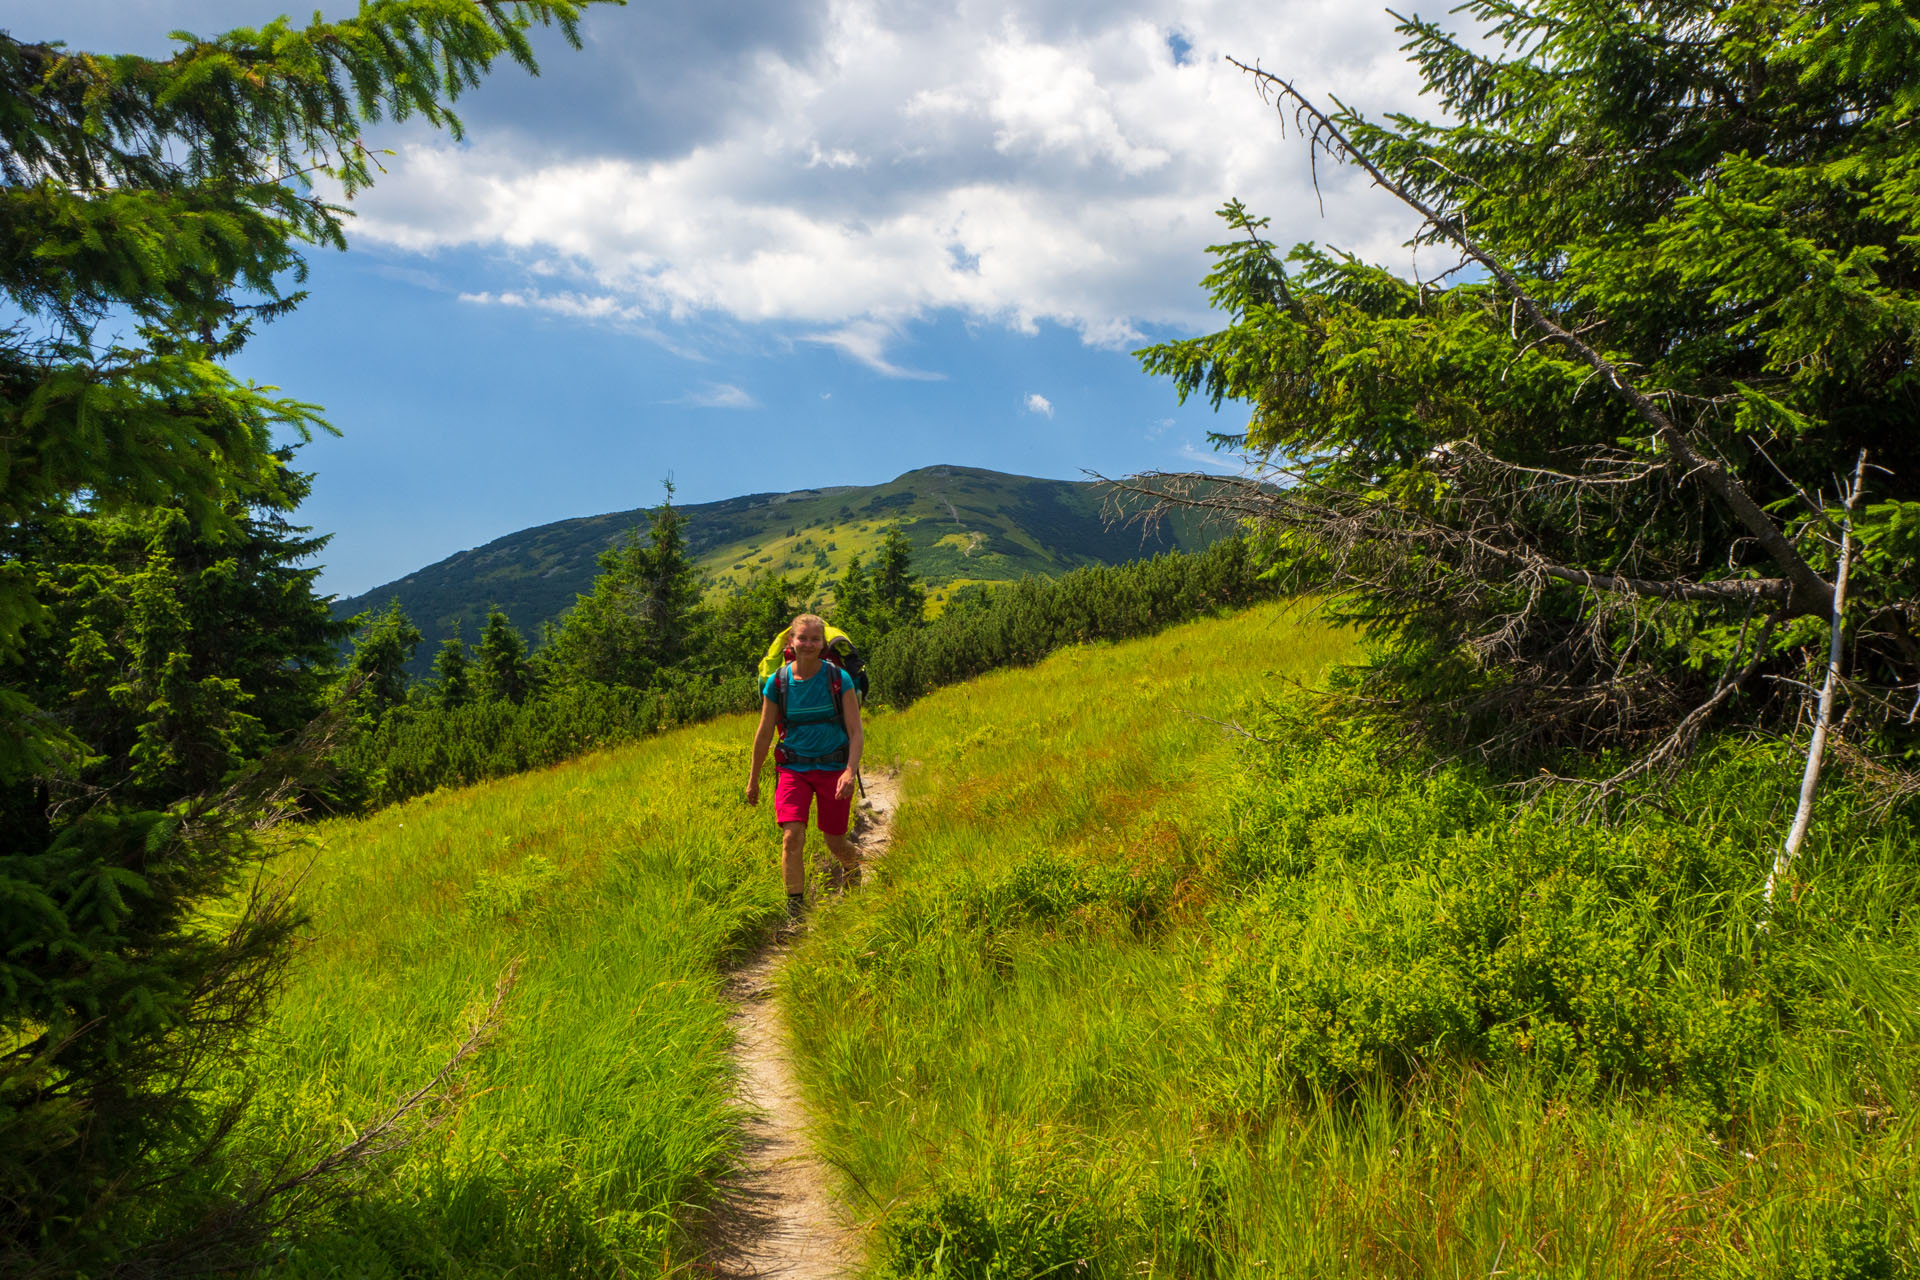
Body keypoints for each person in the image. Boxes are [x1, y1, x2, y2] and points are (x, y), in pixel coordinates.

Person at [746, 613, 864, 926]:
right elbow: (764, 733)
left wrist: (849, 771)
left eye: (815, 639)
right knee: (791, 837)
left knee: (835, 842)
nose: (808, 644)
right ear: (791, 642)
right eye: (803, 638)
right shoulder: (778, 683)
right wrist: (753, 779)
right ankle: (795, 910)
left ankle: (853, 869)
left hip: (833, 768)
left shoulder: (839, 679)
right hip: (793, 769)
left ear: (823, 644)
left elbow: (856, 731)